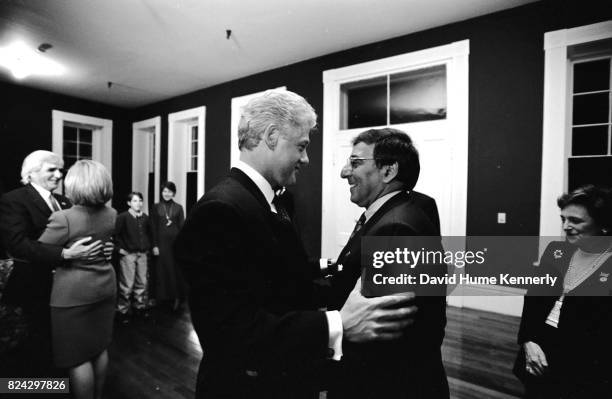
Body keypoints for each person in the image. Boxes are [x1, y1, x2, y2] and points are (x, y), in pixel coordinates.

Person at [174, 90, 418, 399]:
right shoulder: (220, 210)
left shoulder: (271, 200)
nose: (306, 158)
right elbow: (227, 331)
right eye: (301, 146)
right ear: (272, 136)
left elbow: (280, 285)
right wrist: (338, 323)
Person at [326, 128, 449, 399]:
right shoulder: (416, 204)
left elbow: (379, 332)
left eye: (356, 162)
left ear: (388, 171)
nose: (344, 172)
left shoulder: (394, 229)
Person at [0, 150, 106, 377]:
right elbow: (18, 245)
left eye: (61, 170)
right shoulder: (14, 200)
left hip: (68, 286)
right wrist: (65, 254)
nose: (59, 175)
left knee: (66, 345)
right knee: (39, 346)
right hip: (35, 286)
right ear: (31, 173)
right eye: (52, 170)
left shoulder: (65, 201)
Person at [516, 184, 612, 398]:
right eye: (563, 219)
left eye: (576, 220)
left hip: (583, 361)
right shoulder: (556, 251)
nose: (566, 226)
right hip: (538, 345)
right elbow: (532, 300)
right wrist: (528, 341)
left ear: (603, 225)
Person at [38, 160, 116, 399]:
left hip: (72, 295)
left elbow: (40, 253)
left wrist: (65, 254)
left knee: (76, 358)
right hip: (104, 288)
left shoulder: (64, 218)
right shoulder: (111, 214)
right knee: (98, 348)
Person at [114, 192, 153, 322]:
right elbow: (115, 235)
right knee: (127, 284)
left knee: (142, 282)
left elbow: (149, 234)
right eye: (135, 201)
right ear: (129, 203)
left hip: (142, 254)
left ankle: (139, 307)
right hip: (128, 255)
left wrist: (149, 248)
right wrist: (119, 250)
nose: (138, 203)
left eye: (140, 201)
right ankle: (123, 310)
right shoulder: (123, 217)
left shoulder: (145, 218)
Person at [150, 181, 186, 310]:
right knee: (161, 270)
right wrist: (154, 245)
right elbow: (153, 228)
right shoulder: (156, 207)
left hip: (174, 245)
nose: (167, 194)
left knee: (174, 271)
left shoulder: (179, 207)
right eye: (165, 191)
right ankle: (161, 298)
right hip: (160, 244)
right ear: (161, 192)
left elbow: (182, 227)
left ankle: (176, 298)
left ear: (174, 193)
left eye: (170, 191)